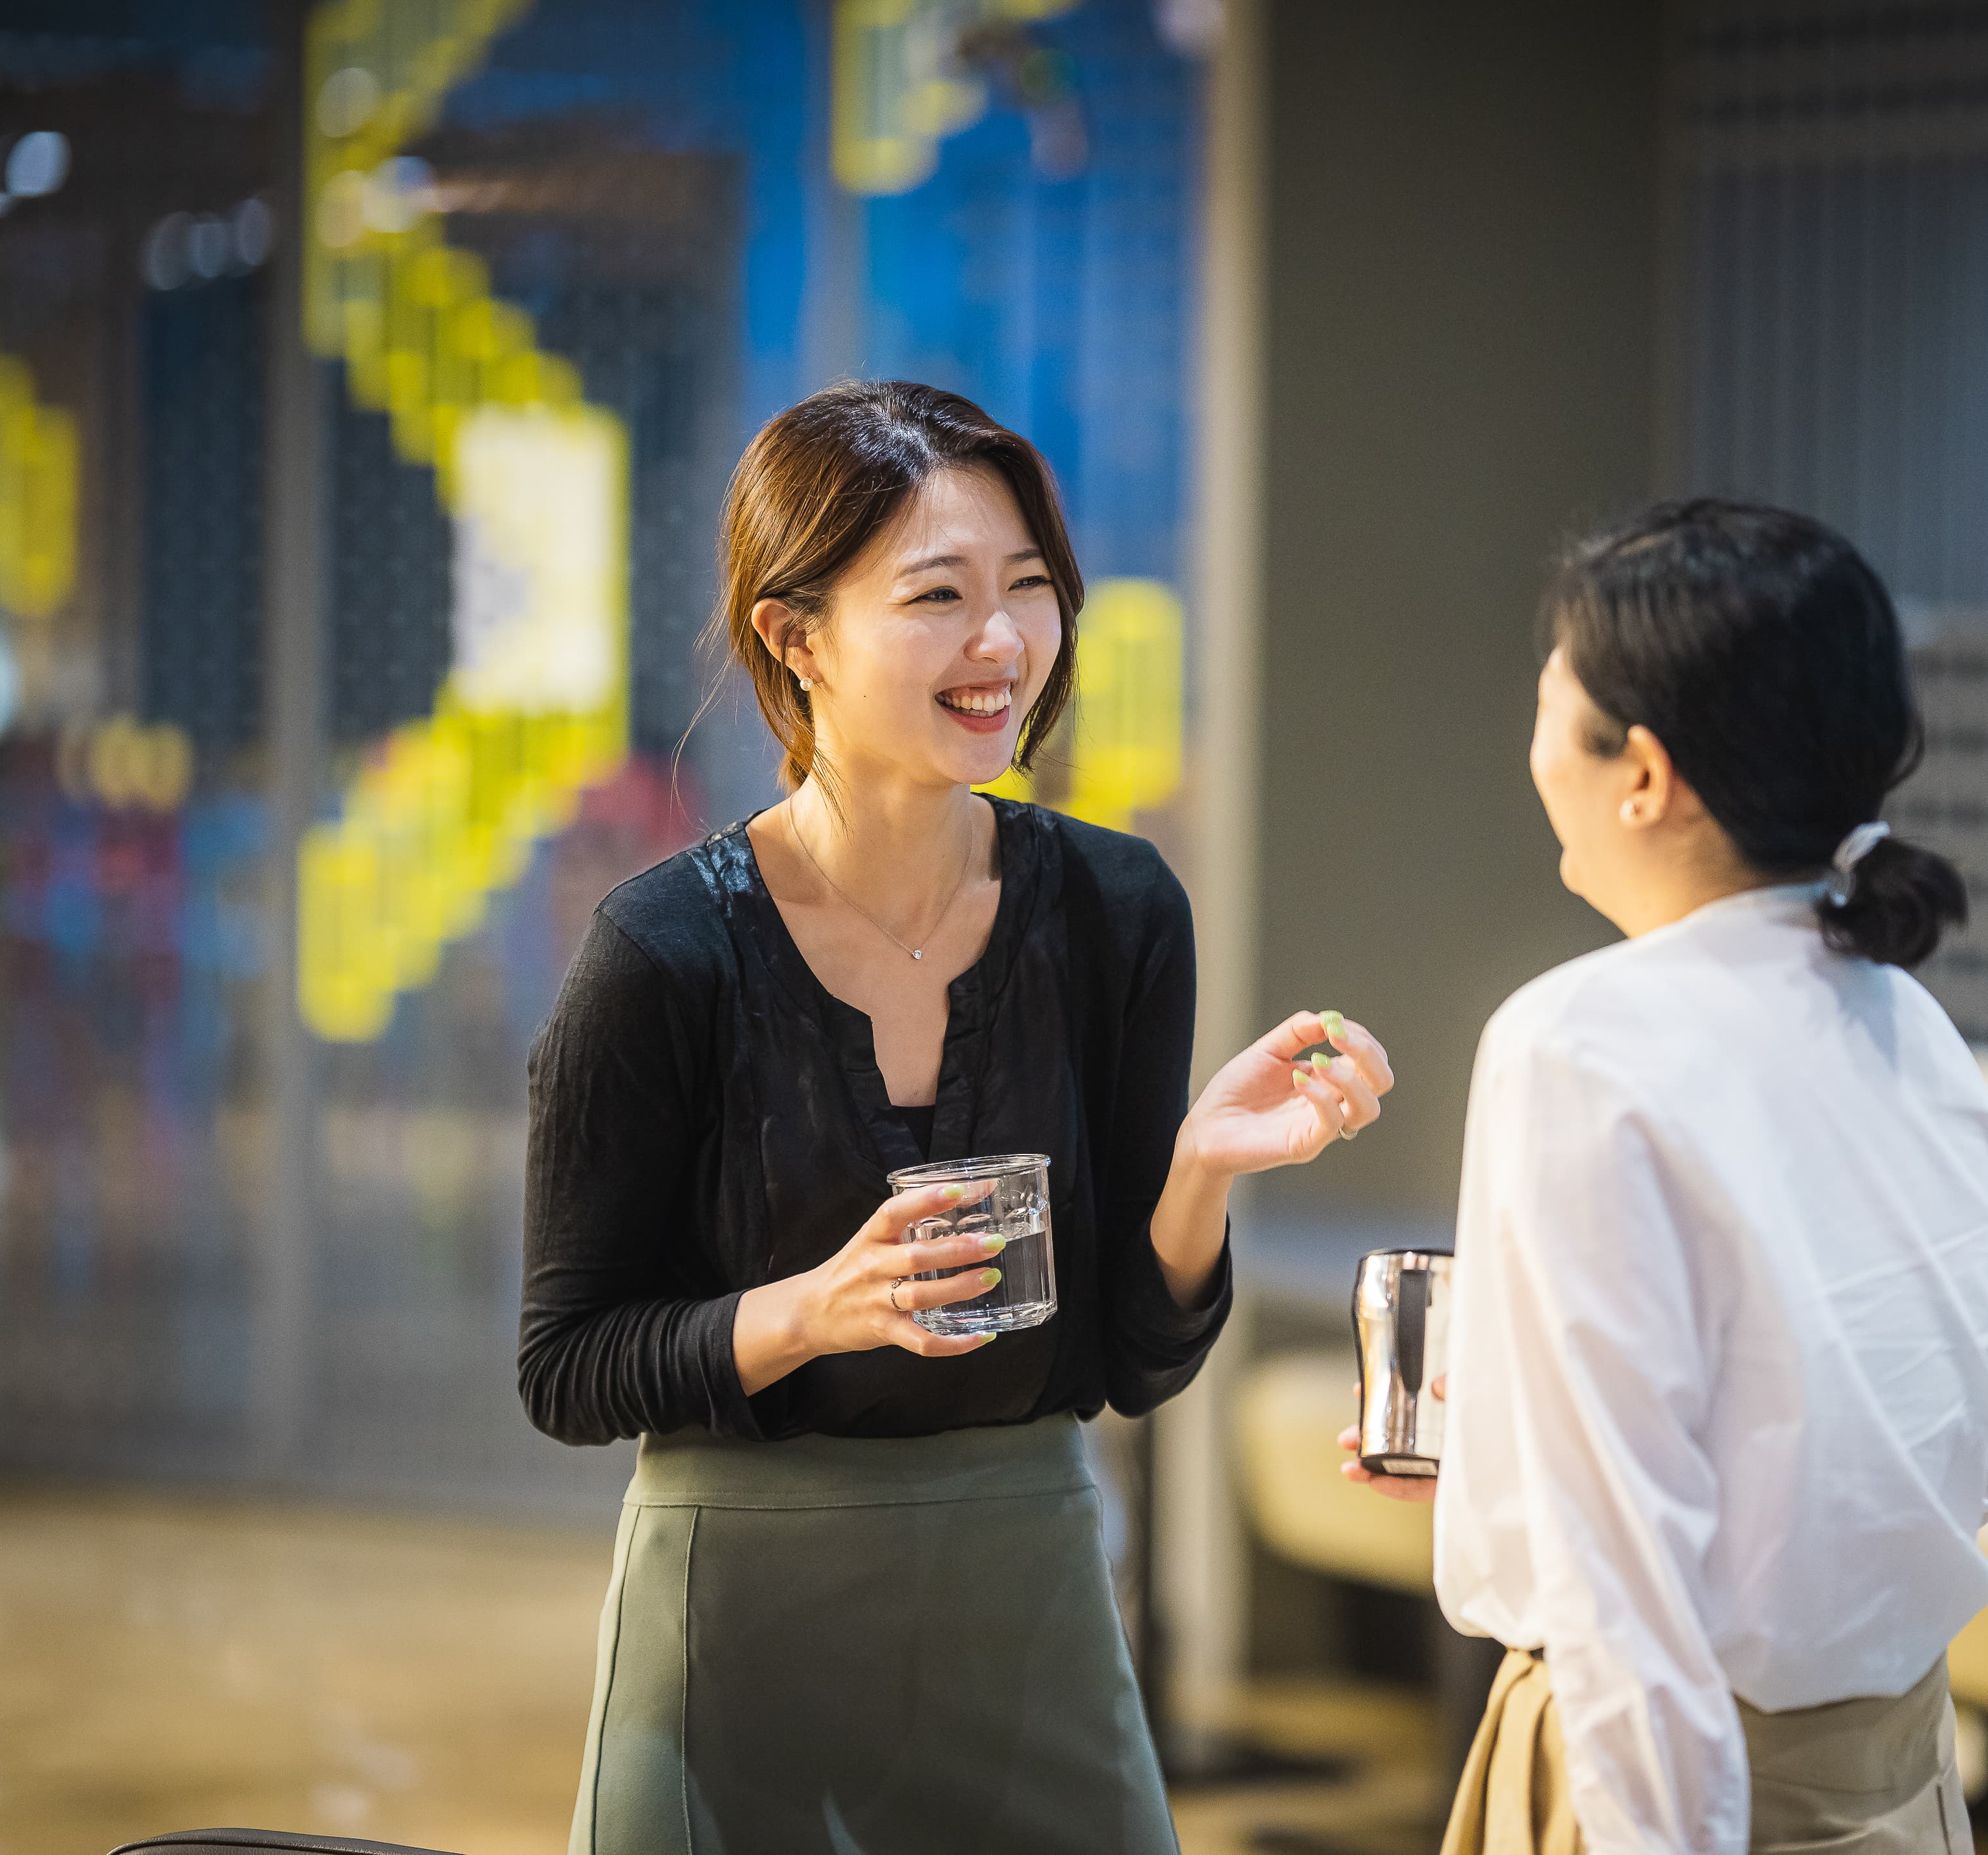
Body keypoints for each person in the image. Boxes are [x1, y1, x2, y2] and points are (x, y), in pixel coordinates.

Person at [519, 380, 1395, 1854]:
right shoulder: (664, 952)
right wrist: (814, 1310)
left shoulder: (1117, 913)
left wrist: (1195, 1177)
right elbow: (566, 1367)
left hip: (1028, 1575)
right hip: (739, 1585)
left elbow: (1128, 1358)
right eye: (938, 596)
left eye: (1030, 590)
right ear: (792, 637)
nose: (1003, 644)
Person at [1346, 500, 1988, 1854]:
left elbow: (1625, 1590)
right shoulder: (1910, 1024)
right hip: (1901, 1773)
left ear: (1642, 773)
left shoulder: (1578, 1042)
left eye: (1549, 697)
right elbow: (1948, 1441)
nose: (1533, 738)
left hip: (1670, 1794)